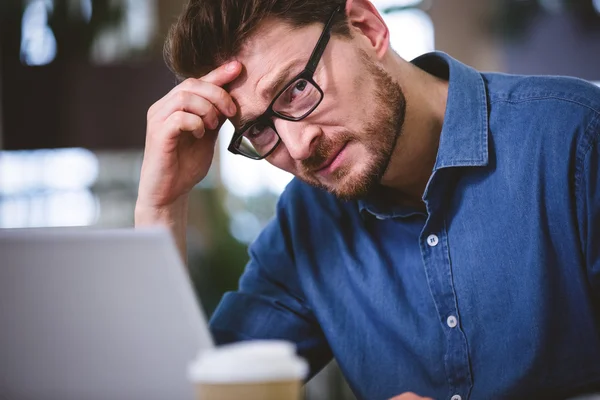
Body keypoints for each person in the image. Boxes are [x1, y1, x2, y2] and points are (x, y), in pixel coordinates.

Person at [135, 0, 600, 398]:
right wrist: (161, 205)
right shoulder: (306, 222)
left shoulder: (578, 140)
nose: (298, 147)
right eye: (259, 129)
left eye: (296, 89)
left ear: (366, 27)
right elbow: (194, 390)